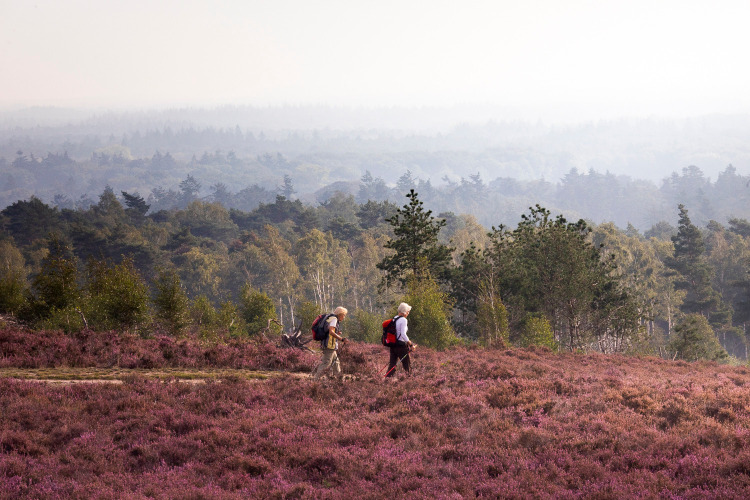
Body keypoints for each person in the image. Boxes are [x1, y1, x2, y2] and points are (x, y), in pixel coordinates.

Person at [312, 306, 349, 380]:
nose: (344, 317)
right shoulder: (334, 319)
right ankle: (315, 379)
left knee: (336, 362)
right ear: (340, 314)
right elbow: (331, 332)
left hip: (330, 345)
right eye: (344, 315)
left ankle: (340, 379)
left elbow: (328, 331)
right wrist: (342, 339)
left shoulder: (330, 318)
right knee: (326, 363)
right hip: (329, 345)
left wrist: (337, 332)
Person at [385, 302, 416, 377]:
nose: (408, 313)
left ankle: (386, 381)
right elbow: (403, 334)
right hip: (401, 346)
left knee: (392, 365)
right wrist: (410, 344)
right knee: (407, 365)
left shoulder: (394, 318)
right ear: (404, 312)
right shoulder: (404, 320)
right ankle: (410, 381)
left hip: (393, 345)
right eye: (408, 311)